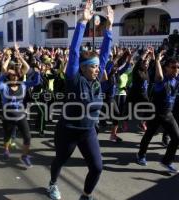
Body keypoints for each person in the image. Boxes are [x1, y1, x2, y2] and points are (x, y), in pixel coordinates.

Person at [47, 1, 113, 200]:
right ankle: (52, 184)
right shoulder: (74, 79)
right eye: (92, 67)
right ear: (83, 68)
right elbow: (74, 51)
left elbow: (105, 56)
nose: (97, 70)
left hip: (88, 131)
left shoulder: (96, 79)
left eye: (97, 67)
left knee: (97, 167)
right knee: (60, 159)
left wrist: (108, 29)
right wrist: (82, 22)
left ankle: (85, 196)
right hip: (68, 130)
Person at [137, 50, 179, 174]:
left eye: (178, 67)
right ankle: (141, 155)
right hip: (156, 113)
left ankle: (166, 161)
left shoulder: (178, 80)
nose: (176, 69)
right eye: (173, 67)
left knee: (177, 138)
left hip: (168, 114)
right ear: (166, 68)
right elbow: (159, 76)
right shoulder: (161, 81)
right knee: (148, 136)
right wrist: (157, 60)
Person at [0, 43, 40, 168]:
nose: (15, 76)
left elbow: (35, 80)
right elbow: (2, 71)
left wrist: (20, 57)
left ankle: (25, 156)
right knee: (7, 136)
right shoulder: (3, 86)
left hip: (21, 115)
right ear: (8, 76)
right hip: (8, 115)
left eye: (16, 75)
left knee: (27, 137)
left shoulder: (23, 85)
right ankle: (6, 150)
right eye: (12, 75)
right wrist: (8, 59)